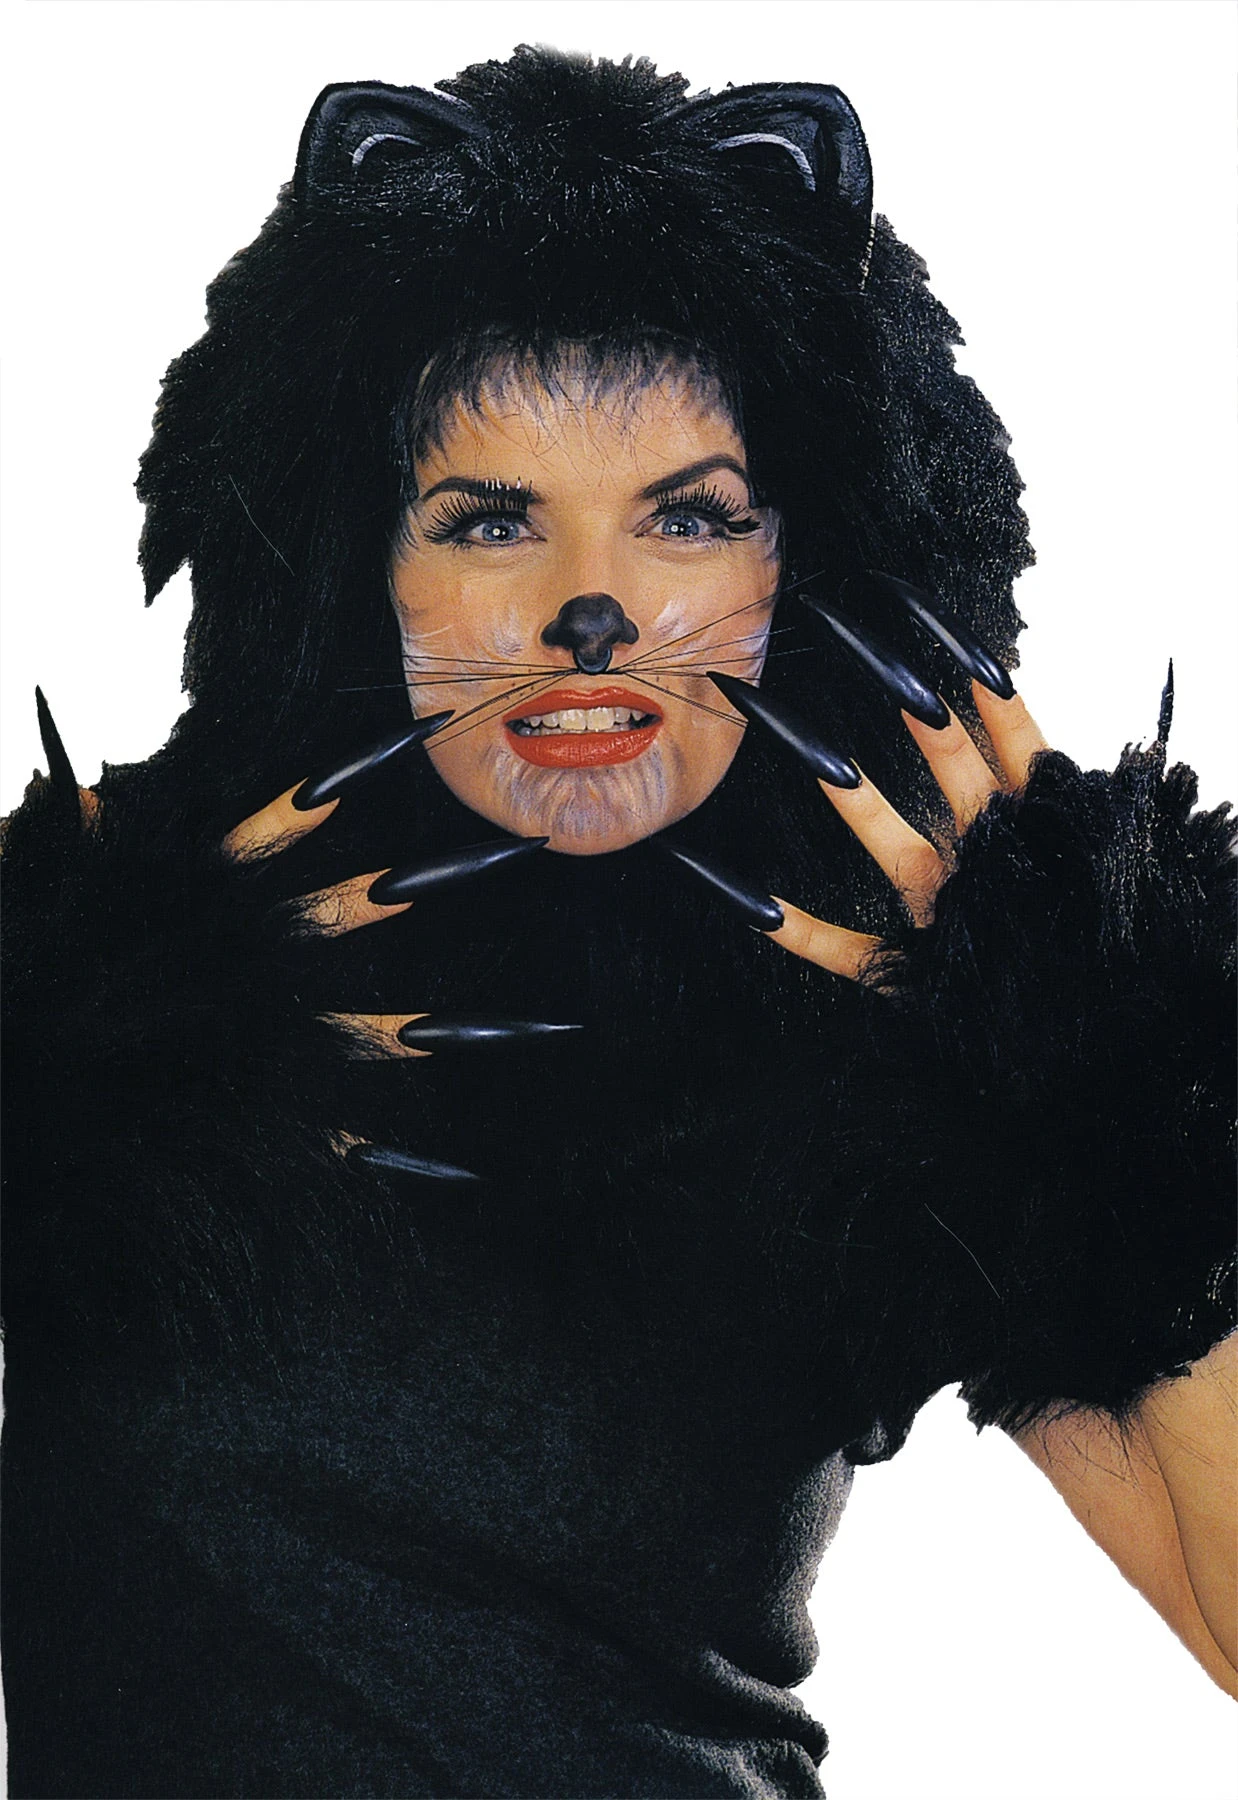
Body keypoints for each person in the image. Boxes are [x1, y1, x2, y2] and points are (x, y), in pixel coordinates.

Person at [3, 46, 1233, 1798]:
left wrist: (1121, 1099)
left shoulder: (884, 1034)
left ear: (806, 569)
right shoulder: (96, 944)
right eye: (490, 520)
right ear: (357, 563)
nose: (591, 614)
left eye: (687, 517)